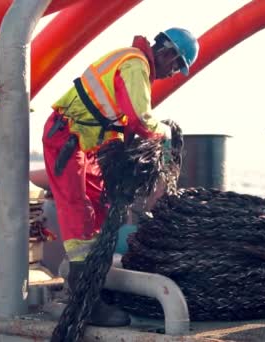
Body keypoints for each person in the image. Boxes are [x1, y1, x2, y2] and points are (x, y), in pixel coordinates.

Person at [42, 28, 199, 326]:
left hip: (88, 144)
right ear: (167, 53)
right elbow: (139, 118)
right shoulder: (135, 64)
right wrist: (165, 133)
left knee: (101, 210)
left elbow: (118, 119)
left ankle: (94, 286)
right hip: (67, 137)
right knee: (79, 208)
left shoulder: (137, 69)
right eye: (177, 65)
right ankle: (83, 296)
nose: (173, 73)